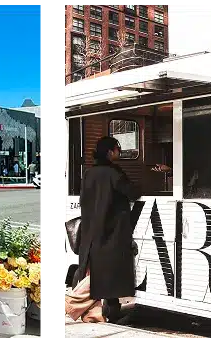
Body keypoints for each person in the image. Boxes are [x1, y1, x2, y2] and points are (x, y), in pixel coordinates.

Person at [73, 137, 141, 323]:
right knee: (111, 273)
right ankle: (105, 310)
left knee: (96, 272)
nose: (119, 152)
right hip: (111, 231)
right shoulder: (114, 173)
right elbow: (133, 192)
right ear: (110, 152)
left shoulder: (89, 173)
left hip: (91, 230)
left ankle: (101, 311)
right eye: (118, 149)